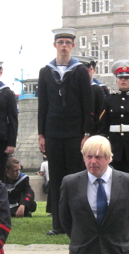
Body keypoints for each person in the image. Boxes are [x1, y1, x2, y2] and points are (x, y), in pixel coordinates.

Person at [38, 28, 93, 236]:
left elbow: (87, 103)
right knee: (57, 179)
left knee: (76, 177)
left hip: (75, 133)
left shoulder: (79, 71)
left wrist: (87, 132)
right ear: (54, 45)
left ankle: (77, 221)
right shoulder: (45, 71)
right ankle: (58, 223)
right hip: (53, 132)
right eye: (60, 42)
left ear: (73, 45)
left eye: (67, 42)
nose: (63, 46)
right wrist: (41, 134)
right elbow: (42, 104)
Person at [75, 56, 105, 131]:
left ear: (94, 70)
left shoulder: (99, 88)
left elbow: (101, 112)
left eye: (88, 69)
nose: (84, 72)